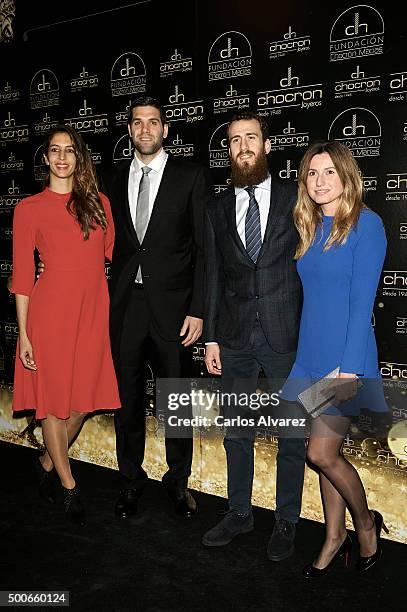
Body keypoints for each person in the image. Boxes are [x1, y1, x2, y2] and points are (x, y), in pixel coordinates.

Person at [99, 96, 213, 519]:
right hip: (127, 306)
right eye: (137, 123)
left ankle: (178, 482)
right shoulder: (110, 178)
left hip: (175, 309)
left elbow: (204, 250)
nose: (145, 129)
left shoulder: (190, 175)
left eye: (153, 122)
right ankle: (130, 479)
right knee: (126, 399)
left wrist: (198, 309)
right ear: (129, 130)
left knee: (176, 400)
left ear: (166, 130)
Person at [281, 140, 388, 576]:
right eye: (312, 172)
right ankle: (332, 536)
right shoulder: (309, 225)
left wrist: (348, 370)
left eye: (329, 172)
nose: (320, 181)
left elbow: (363, 304)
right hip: (310, 355)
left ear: (346, 175)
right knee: (323, 453)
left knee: (321, 453)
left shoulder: (367, 224)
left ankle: (365, 524)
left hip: (346, 359)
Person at [202, 111, 306, 561]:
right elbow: (212, 275)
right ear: (228, 151)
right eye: (234, 140)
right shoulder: (217, 208)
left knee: (292, 435)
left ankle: (286, 520)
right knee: (237, 433)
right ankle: (240, 513)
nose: (243, 146)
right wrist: (210, 339)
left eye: (251, 138)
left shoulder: (296, 198)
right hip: (235, 337)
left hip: (286, 335)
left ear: (267, 145)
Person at [11, 125, 121, 526]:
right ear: (45, 158)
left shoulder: (99, 204)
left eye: (69, 150)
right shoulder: (28, 209)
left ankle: (45, 461)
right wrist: (24, 333)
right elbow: (23, 276)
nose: (61, 157)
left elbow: (109, 258)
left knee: (81, 404)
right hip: (48, 315)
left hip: (91, 314)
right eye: (54, 150)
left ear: (79, 157)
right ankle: (69, 484)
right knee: (53, 405)